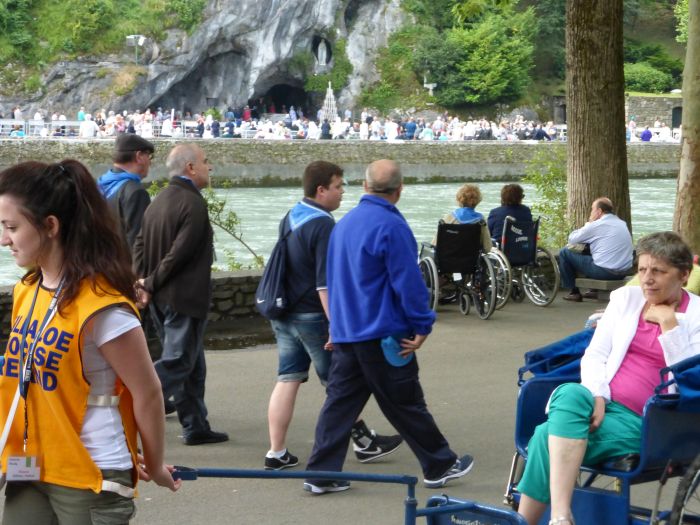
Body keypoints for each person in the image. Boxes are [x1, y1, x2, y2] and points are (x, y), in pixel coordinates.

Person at [0, 159, 179, 523]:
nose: (4, 239)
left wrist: (156, 463)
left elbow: (147, 392)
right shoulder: (27, 290)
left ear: (51, 226)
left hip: (90, 470)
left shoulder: (102, 306)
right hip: (31, 463)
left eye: (12, 227)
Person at [304, 159, 473, 494]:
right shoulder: (392, 226)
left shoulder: (343, 225)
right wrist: (422, 324)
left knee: (339, 405)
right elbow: (408, 283)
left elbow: (333, 281)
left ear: (365, 186)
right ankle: (439, 464)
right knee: (405, 401)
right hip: (383, 333)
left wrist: (336, 326)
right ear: (400, 189)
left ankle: (320, 473)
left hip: (348, 332)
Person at [517, 231, 700, 525]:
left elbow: (689, 379)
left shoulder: (697, 316)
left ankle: (550, 518)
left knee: (545, 436)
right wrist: (598, 395)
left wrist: (669, 326)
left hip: (652, 422)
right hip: (603, 406)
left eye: (658, 271)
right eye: (642, 269)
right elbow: (595, 354)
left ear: (684, 275)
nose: (647, 279)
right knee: (568, 392)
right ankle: (560, 517)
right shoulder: (626, 299)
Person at [264, 161, 403, 471]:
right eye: (338, 186)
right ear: (321, 190)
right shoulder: (324, 225)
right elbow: (324, 284)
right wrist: (335, 326)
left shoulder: (291, 216)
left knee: (288, 379)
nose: (342, 193)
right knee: (341, 386)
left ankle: (276, 451)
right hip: (313, 316)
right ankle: (359, 446)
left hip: (284, 312)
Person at [133, 144, 229, 446]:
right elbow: (180, 253)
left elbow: (139, 244)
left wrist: (143, 282)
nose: (209, 167)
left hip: (162, 298)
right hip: (183, 297)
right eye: (205, 161)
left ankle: (195, 425)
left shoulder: (158, 201)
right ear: (190, 167)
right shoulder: (192, 203)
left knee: (192, 364)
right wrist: (149, 283)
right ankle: (125, 406)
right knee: (179, 362)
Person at [558, 197, 633, 302]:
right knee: (595, 252)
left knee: (564, 252)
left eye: (592, 209)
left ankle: (573, 292)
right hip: (623, 272)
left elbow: (572, 238)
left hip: (605, 272)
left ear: (599, 211)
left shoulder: (597, 225)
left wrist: (588, 224)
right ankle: (593, 291)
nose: (591, 212)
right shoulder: (621, 223)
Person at [97, 134, 155, 249]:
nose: (150, 162)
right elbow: (138, 244)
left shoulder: (98, 184)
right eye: (149, 155)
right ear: (139, 156)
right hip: (122, 259)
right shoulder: (136, 192)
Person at [434, 183, 492, 253]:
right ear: (477, 201)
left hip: (447, 258)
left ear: (459, 199)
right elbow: (487, 248)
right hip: (471, 258)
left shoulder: (448, 217)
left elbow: (435, 244)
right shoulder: (480, 221)